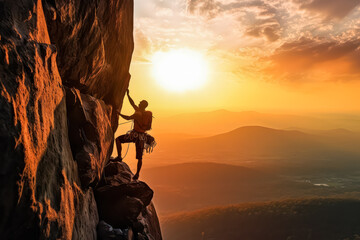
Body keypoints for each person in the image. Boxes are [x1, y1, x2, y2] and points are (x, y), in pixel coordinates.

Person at [115, 89, 155, 180]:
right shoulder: (144, 113)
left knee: (118, 139)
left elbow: (128, 118)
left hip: (135, 135)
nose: (139, 103)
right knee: (140, 157)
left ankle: (119, 156)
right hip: (142, 137)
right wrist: (128, 95)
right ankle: (137, 174)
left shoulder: (137, 113)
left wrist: (118, 114)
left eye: (140, 103)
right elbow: (132, 103)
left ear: (142, 105)